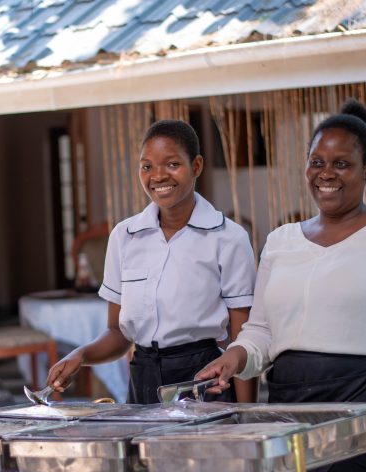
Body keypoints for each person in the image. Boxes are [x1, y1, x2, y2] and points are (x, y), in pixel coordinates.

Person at [196, 100, 366, 472]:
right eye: (317, 162)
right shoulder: (280, 241)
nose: (326, 173)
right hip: (289, 407)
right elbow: (261, 331)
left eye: (341, 164)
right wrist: (234, 357)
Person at [47, 120, 256, 404]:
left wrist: (246, 416)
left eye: (172, 164)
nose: (158, 176)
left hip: (204, 380)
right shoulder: (124, 236)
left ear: (196, 166)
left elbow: (243, 340)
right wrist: (81, 355)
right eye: (147, 166)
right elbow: (118, 333)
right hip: (142, 380)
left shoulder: (228, 237)